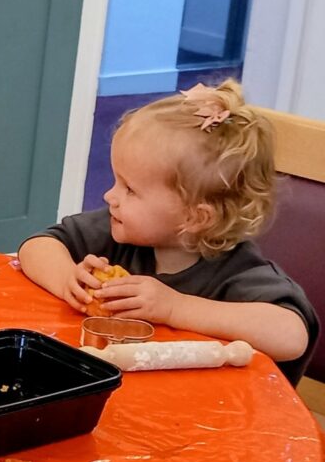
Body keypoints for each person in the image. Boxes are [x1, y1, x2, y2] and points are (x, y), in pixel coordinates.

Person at [18, 80, 319, 384]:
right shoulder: (118, 233)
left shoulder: (238, 273)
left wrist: (174, 308)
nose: (110, 196)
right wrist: (68, 279)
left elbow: (291, 336)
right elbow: (37, 246)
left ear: (195, 217)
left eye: (130, 189)